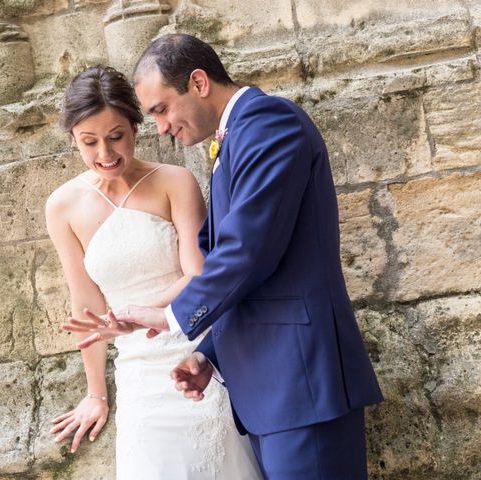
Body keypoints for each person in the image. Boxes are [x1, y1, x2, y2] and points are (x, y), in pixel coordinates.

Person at [64, 35, 384, 479]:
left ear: (198, 82)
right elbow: (259, 269)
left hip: (302, 385)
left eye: (161, 109)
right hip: (274, 389)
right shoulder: (236, 136)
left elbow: (247, 252)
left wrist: (169, 317)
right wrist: (210, 354)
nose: (160, 127)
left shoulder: (269, 123)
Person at [45, 66, 261, 480]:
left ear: (135, 127)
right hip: (138, 373)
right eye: (89, 142)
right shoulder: (62, 207)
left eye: (116, 136)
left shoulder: (174, 182)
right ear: (73, 138)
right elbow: (86, 305)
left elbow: (198, 275)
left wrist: (134, 314)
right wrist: (95, 393)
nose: (105, 154)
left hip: (193, 352)